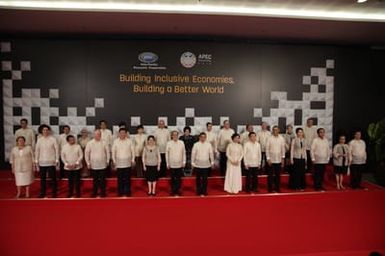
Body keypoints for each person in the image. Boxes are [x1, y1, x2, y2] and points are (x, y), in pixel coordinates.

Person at [35, 124, 59, 198]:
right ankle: (43, 193)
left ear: (49, 131)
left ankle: (54, 193)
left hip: (51, 162)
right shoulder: (39, 140)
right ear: (41, 131)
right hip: (42, 162)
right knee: (43, 179)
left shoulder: (53, 139)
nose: (45, 131)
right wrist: (36, 160)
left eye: (46, 130)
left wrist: (57, 159)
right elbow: (37, 151)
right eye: (44, 130)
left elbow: (57, 150)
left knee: (53, 179)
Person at [85, 129, 110, 197]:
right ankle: (95, 192)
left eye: (99, 134)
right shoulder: (90, 143)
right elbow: (86, 153)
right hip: (93, 165)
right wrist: (88, 163)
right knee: (95, 180)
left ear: (101, 135)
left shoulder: (104, 142)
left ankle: (103, 192)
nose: (98, 135)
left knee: (102, 180)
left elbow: (107, 152)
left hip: (102, 164)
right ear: (94, 135)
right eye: (96, 134)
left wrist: (108, 161)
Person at [112, 128, 135, 197]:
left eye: (123, 133)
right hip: (119, 164)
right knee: (120, 179)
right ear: (119, 134)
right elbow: (113, 152)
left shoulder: (129, 141)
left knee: (127, 179)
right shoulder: (115, 141)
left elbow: (133, 151)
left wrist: (133, 160)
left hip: (127, 163)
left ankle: (127, 191)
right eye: (121, 133)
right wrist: (114, 161)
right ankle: (120, 192)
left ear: (126, 133)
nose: (122, 134)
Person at [266, 126, 285, 193]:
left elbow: (283, 149)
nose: (275, 131)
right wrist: (268, 159)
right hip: (271, 159)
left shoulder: (281, 138)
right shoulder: (269, 138)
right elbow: (267, 149)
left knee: (278, 175)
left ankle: (277, 187)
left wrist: (283, 158)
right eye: (274, 130)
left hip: (279, 159)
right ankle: (270, 188)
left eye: (276, 130)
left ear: (278, 130)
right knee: (270, 175)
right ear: (272, 131)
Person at [166, 131, 186, 196]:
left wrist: (184, 162)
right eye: (173, 135)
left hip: (179, 163)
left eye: (176, 135)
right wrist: (167, 163)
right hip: (171, 164)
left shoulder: (181, 143)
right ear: (171, 136)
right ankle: (173, 190)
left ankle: (177, 190)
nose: (175, 136)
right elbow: (167, 154)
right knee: (172, 178)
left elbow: (184, 153)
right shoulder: (169, 143)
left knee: (178, 178)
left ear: (178, 136)